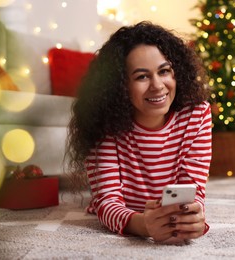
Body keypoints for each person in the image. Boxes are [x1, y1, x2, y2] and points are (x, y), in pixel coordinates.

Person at [66, 21, 212, 244]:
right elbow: (107, 202)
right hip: (129, 214)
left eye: (164, 71)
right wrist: (144, 225)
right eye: (142, 76)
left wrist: (192, 216)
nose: (157, 85)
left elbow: (194, 190)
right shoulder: (103, 122)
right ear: (121, 86)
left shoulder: (197, 115)